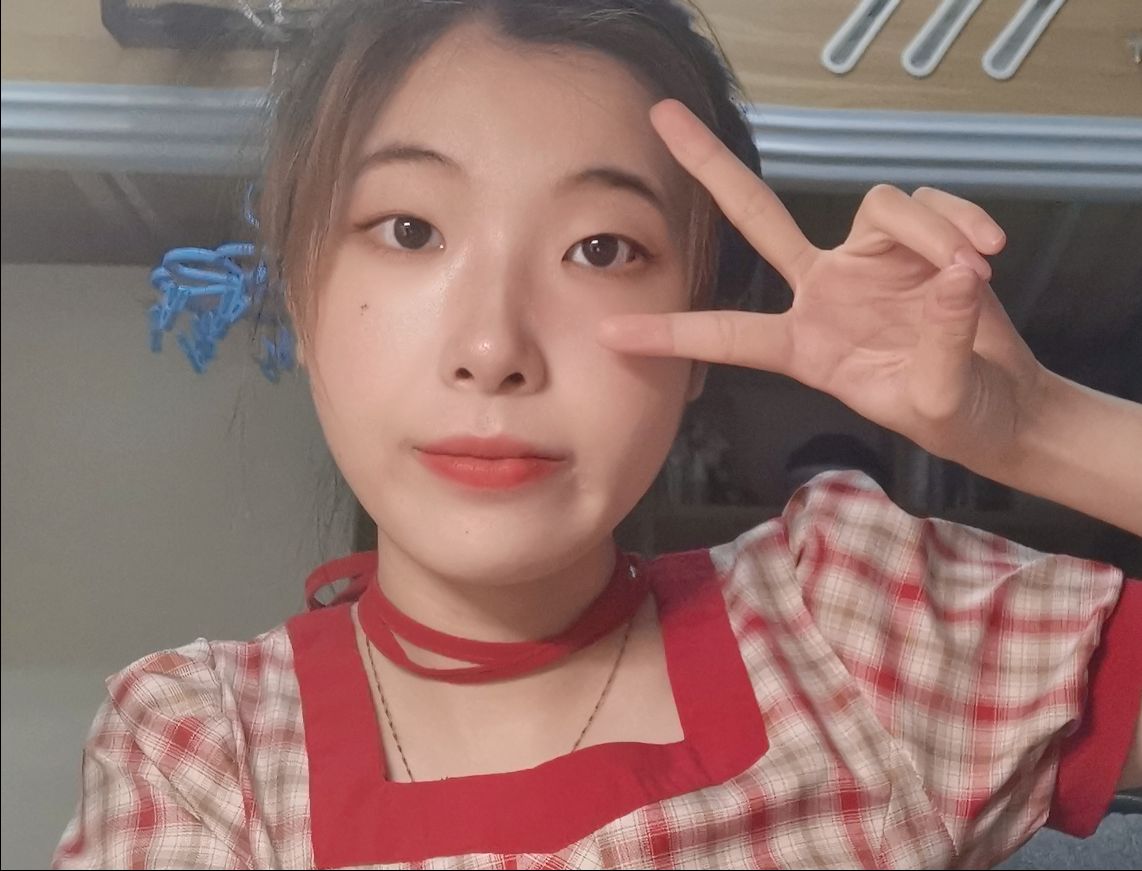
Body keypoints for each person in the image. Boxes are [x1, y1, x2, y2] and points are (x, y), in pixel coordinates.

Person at [51, 1, 1142, 868]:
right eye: (410, 228)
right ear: (301, 293)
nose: (493, 347)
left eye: (601, 249)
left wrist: (1040, 429)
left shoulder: (854, 622)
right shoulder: (202, 749)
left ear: (701, 331)